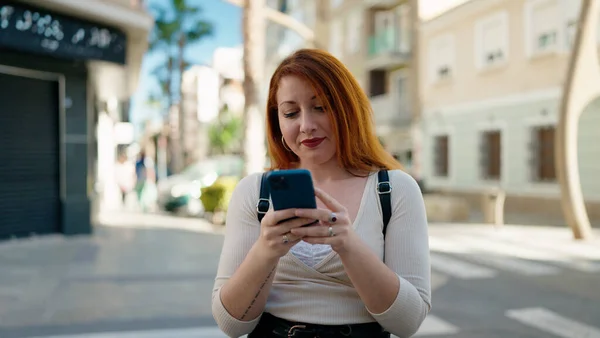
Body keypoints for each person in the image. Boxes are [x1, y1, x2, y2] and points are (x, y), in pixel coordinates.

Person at [212, 49, 431, 338]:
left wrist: (348, 244)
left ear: (347, 109)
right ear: (277, 120)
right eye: (291, 113)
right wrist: (266, 250)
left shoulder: (394, 189)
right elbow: (231, 324)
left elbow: (408, 322)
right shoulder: (254, 193)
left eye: (321, 107)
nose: (306, 126)